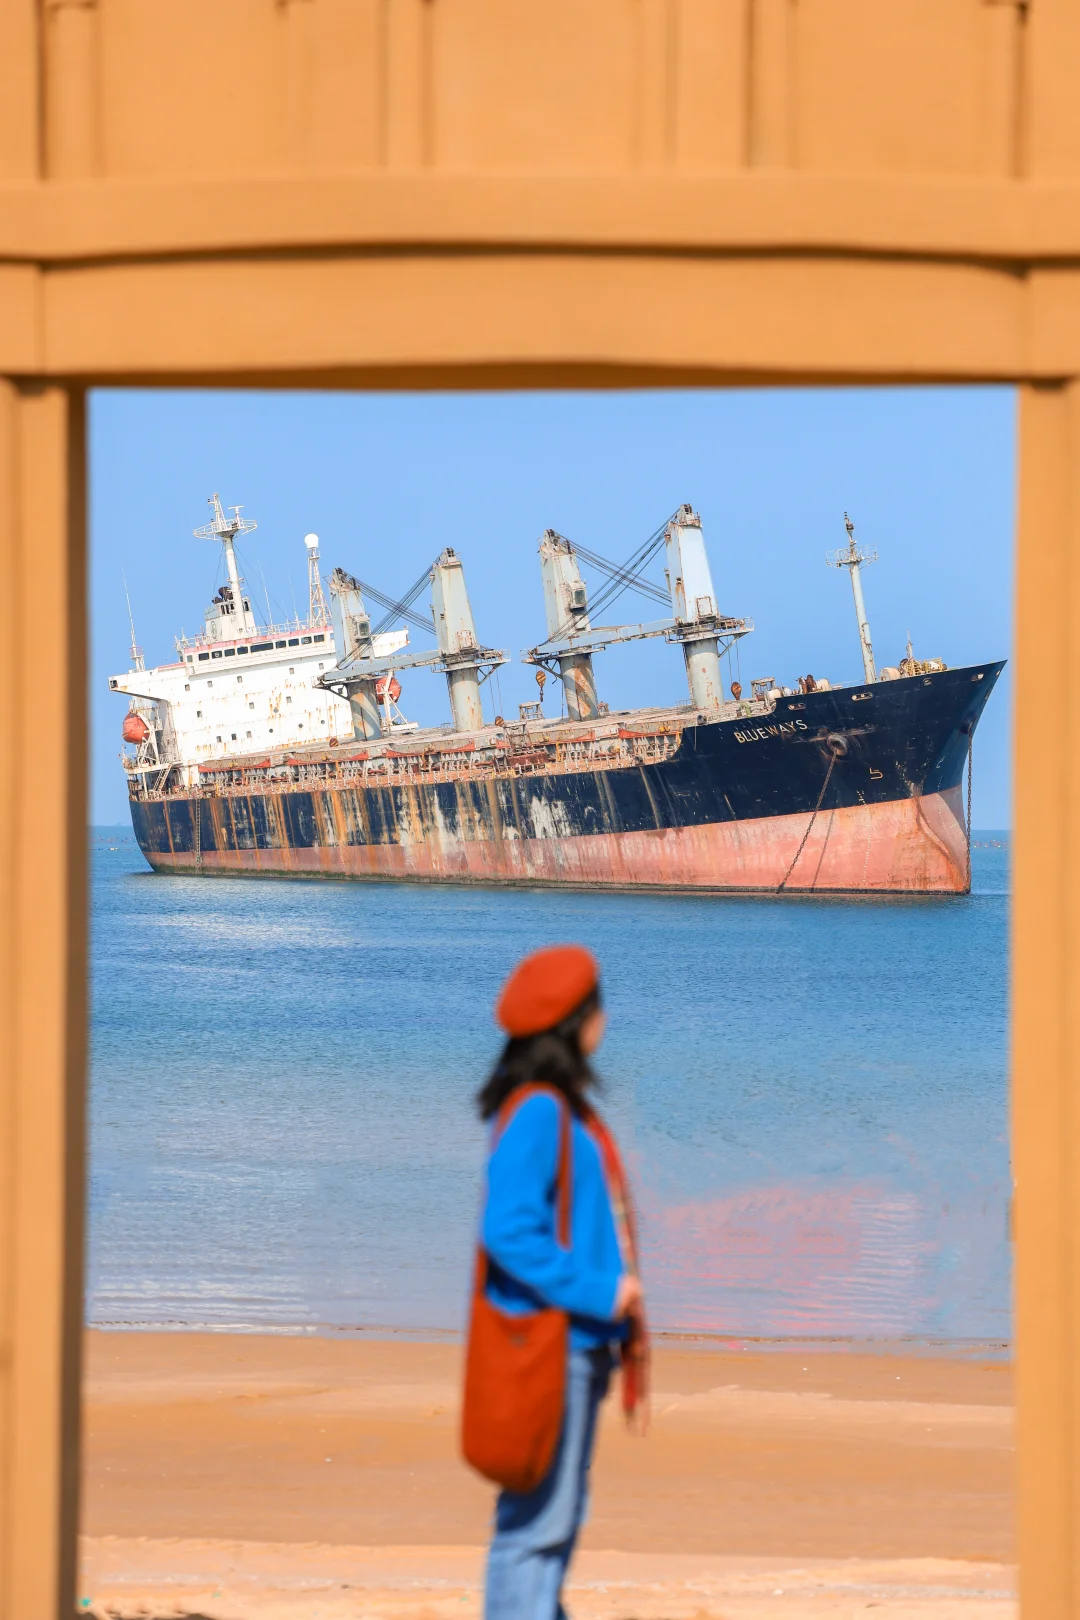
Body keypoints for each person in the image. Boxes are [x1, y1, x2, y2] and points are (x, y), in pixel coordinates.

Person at [475, 943, 647, 1620]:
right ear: (576, 1021)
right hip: (555, 1347)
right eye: (598, 1004)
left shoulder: (552, 1107)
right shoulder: (541, 1110)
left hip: (575, 1344)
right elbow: (508, 1231)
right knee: (537, 1527)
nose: (605, 1017)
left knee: (554, 1518)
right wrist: (603, 1292)